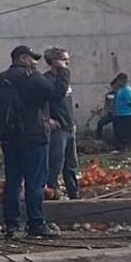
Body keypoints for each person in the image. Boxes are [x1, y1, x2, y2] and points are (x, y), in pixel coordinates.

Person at [0, 45, 69, 239]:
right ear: (23, 58)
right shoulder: (30, 76)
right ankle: (36, 224)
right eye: (33, 59)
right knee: (35, 182)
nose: (35, 63)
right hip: (33, 138)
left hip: (9, 139)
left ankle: (12, 225)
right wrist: (62, 69)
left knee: (13, 182)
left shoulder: (2, 79)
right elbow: (57, 93)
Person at [44, 47, 79, 199]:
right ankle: (51, 191)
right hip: (58, 129)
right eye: (64, 60)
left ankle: (74, 192)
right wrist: (48, 119)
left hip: (69, 126)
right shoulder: (47, 80)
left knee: (71, 164)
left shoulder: (64, 79)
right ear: (54, 61)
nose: (67, 63)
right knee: (55, 163)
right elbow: (42, 102)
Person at [113, 73, 131, 150]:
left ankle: (127, 148)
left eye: (118, 80)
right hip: (120, 115)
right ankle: (122, 147)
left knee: (127, 133)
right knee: (120, 132)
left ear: (122, 80)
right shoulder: (120, 90)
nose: (117, 82)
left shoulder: (127, 90)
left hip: (127, 115)